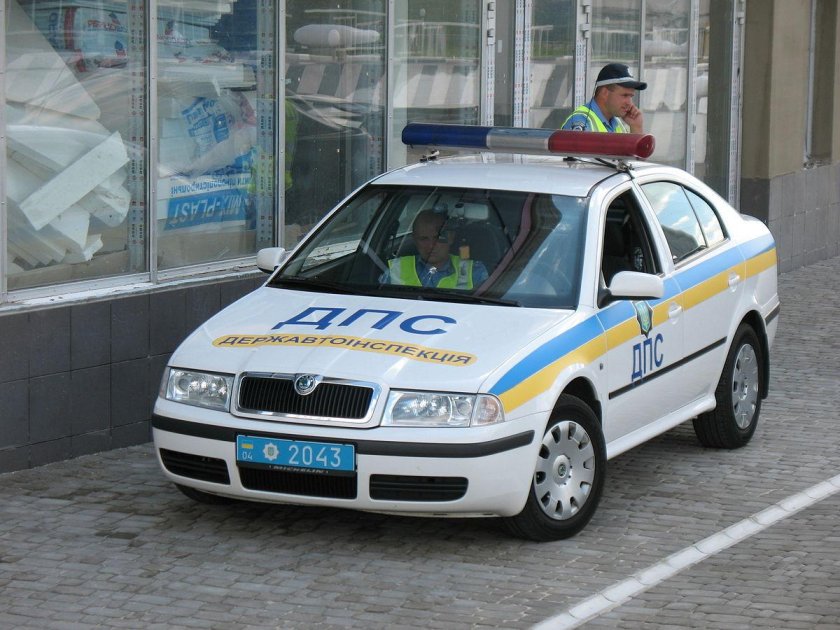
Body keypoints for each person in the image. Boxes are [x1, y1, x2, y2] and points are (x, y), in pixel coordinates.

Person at [382, 210, 488, 288]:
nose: (431, 245)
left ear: (450, 238)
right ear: (414, 240)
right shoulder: (395, 270)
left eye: (438, 238)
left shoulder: (474, 271)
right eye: (424, 239)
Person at [561, 63, 647, 134]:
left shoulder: (616, 123)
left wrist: (636, 127)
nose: (630, 103)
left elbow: (631, 154)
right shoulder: (581, 122)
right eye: (624, 95)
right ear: (604, 93)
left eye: (631, 96)